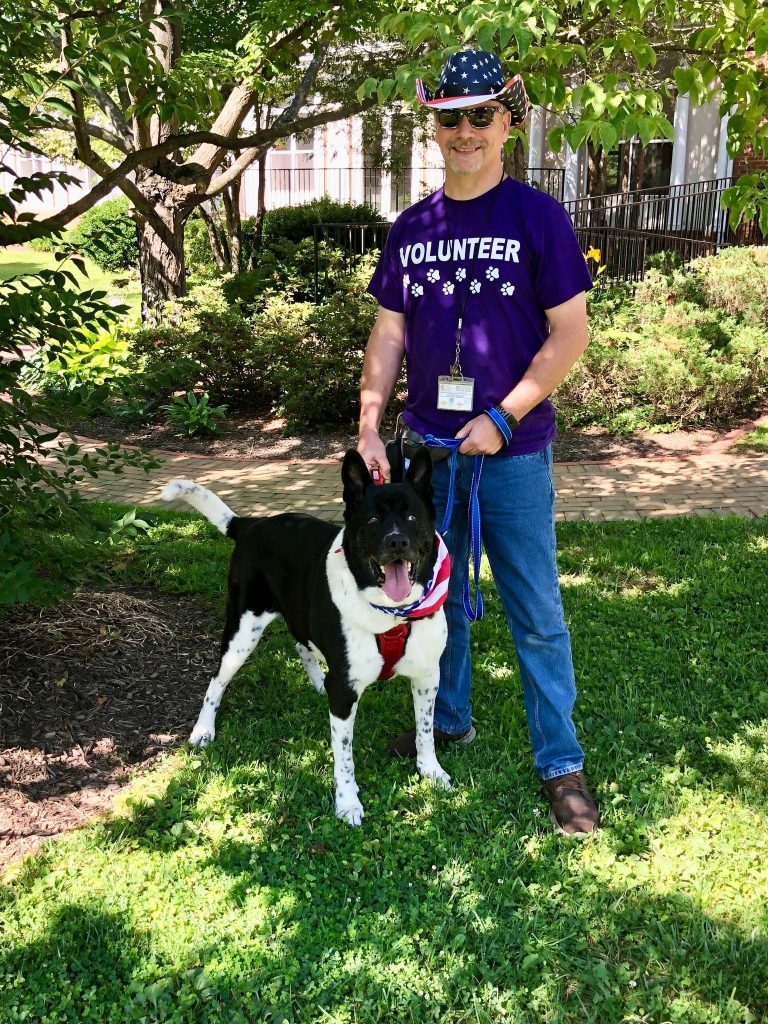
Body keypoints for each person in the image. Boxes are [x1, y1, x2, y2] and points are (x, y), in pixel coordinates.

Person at [356, 49, 598, 836]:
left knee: (535, 611)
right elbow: (389, 332)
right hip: (429, 450)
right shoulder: (412, 226)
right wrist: (369, 420)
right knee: (438, 603)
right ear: (435, 126)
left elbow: (570, 334)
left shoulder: (538, 217)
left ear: (508, 121)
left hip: (514, 453)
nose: (464, 131)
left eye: (480, 115)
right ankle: (449, 720)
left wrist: (505, 415)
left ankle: (561, 763)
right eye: (449, 117)